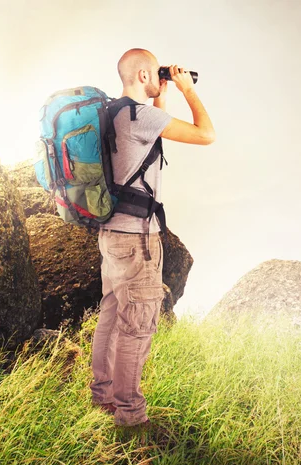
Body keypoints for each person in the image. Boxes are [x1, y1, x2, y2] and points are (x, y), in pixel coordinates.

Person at [90, 48, 215, 427]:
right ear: (144, 74)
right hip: (138, 240)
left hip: (111, 234)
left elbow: (149, 138)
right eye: (155, 74)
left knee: (111, 315)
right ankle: (131, 418)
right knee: (137, 325)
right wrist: (188, 90)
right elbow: (205, 134)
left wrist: (162, 91)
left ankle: (103, 397)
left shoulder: (112, 113)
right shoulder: (141, 115)